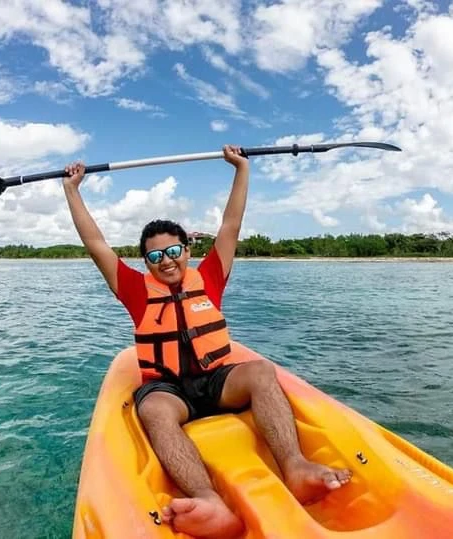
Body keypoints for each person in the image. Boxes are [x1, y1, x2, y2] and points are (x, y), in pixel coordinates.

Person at [62, 145, 352, 538]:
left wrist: (241, 169)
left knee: (261, 372)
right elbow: (96, 244)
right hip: (170, 389)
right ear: (144, 262)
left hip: (216, 381)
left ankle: (296, 467)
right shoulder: (133, 289)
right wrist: (72, 191)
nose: (166, 261)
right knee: (154, 411)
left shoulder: (211, 276)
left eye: (174, 250)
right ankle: (208, 499)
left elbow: (231, 224)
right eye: (155, 256)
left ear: (187, 250)